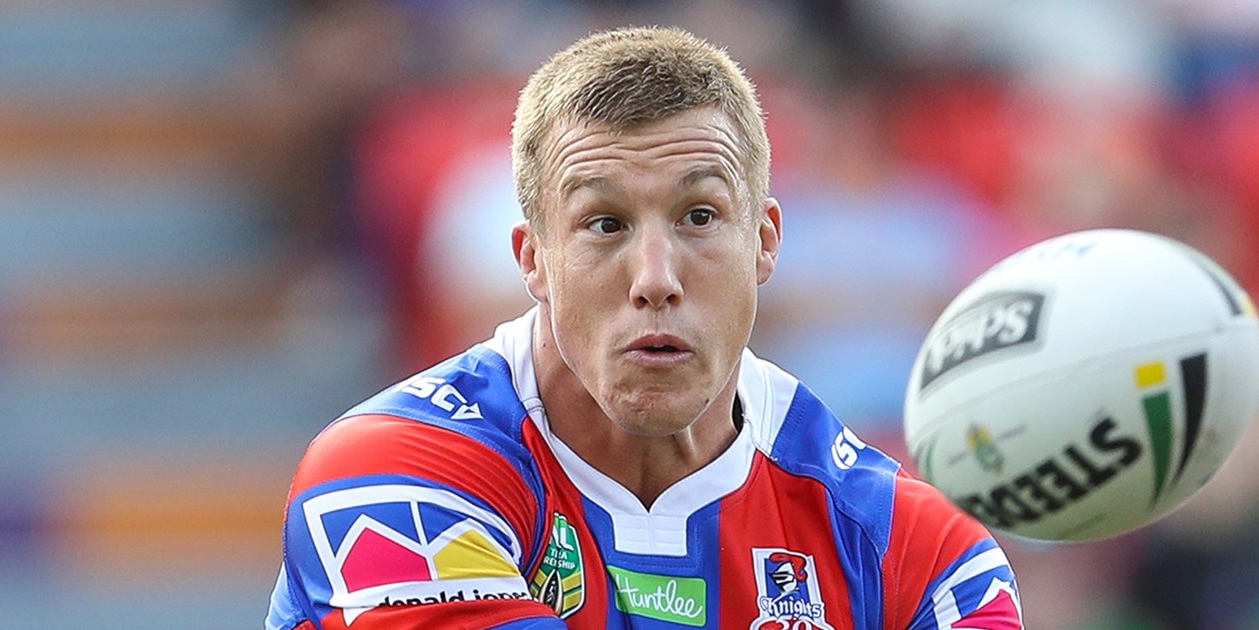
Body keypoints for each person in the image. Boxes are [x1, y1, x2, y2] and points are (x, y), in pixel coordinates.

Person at [267, 27, 1023, 629]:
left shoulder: (911, 548)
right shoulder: (390, 482)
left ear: (764, 242)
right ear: (533, 260)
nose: (655, 278)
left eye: (699, 217)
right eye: (605, 224)